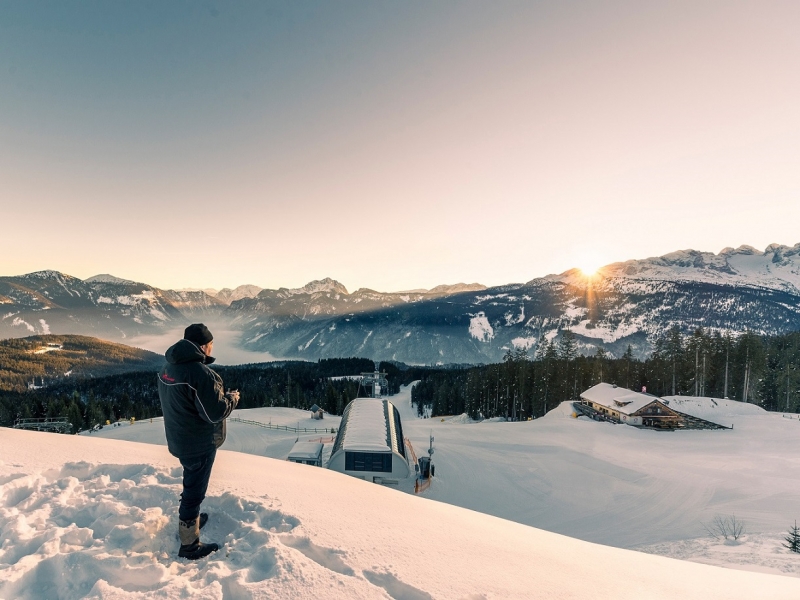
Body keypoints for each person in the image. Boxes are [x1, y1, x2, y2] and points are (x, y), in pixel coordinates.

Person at [157, 323, 240, 560]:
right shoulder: (199, 374)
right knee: (194, 490)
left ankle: (190, 521)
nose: (212, 349)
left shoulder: (169, 366)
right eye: (211, 344)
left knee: (191, 483)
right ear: (203, 346)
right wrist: (231, 399)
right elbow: (214, 413)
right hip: (198, 443)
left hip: (180, 437)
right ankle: (189, 544)